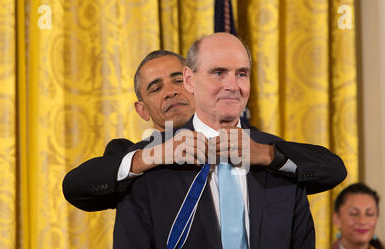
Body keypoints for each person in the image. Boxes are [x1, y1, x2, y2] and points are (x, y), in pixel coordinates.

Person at [113, 33, 321, 249]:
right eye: (219, 73)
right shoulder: (151, 160)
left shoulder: (276, 156)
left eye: (242, 74)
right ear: (190, 80)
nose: (232, 85)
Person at [62, 50, 347, 212]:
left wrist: (267, 154)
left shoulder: (251, 144)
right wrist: (152, 157)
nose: (171, 92)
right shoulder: (131, 158)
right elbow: (75, 188)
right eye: (156, 88)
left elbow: (332, 170)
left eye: (177, 81)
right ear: (143, 110)